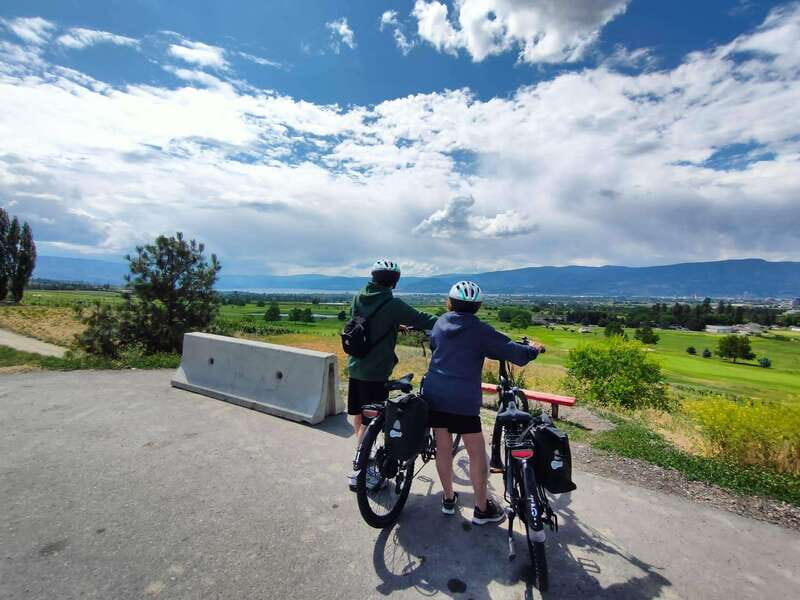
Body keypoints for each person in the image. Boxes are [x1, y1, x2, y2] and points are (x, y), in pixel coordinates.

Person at [421, 281, 543, 525]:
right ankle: (481, 508)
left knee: (443, 448)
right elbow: (515, 353)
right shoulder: (480, 330)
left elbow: (435, 344)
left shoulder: (440, 322)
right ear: (477, 306)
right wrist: (534, 349)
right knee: (477, 452)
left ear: (449, 302)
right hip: (463, 399)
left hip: (434, 392)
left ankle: (448, 499)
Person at [346, 259, 438, 490]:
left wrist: (394, 326)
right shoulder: (392, 305)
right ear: (394, 282)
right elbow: (423, 319)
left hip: (356, 364)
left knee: (360, 413)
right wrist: (453, 322)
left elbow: (364, 323)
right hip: (375, 371)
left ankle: (361, 453)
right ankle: (361, 469)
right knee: (372, 420)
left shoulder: (358, 296)